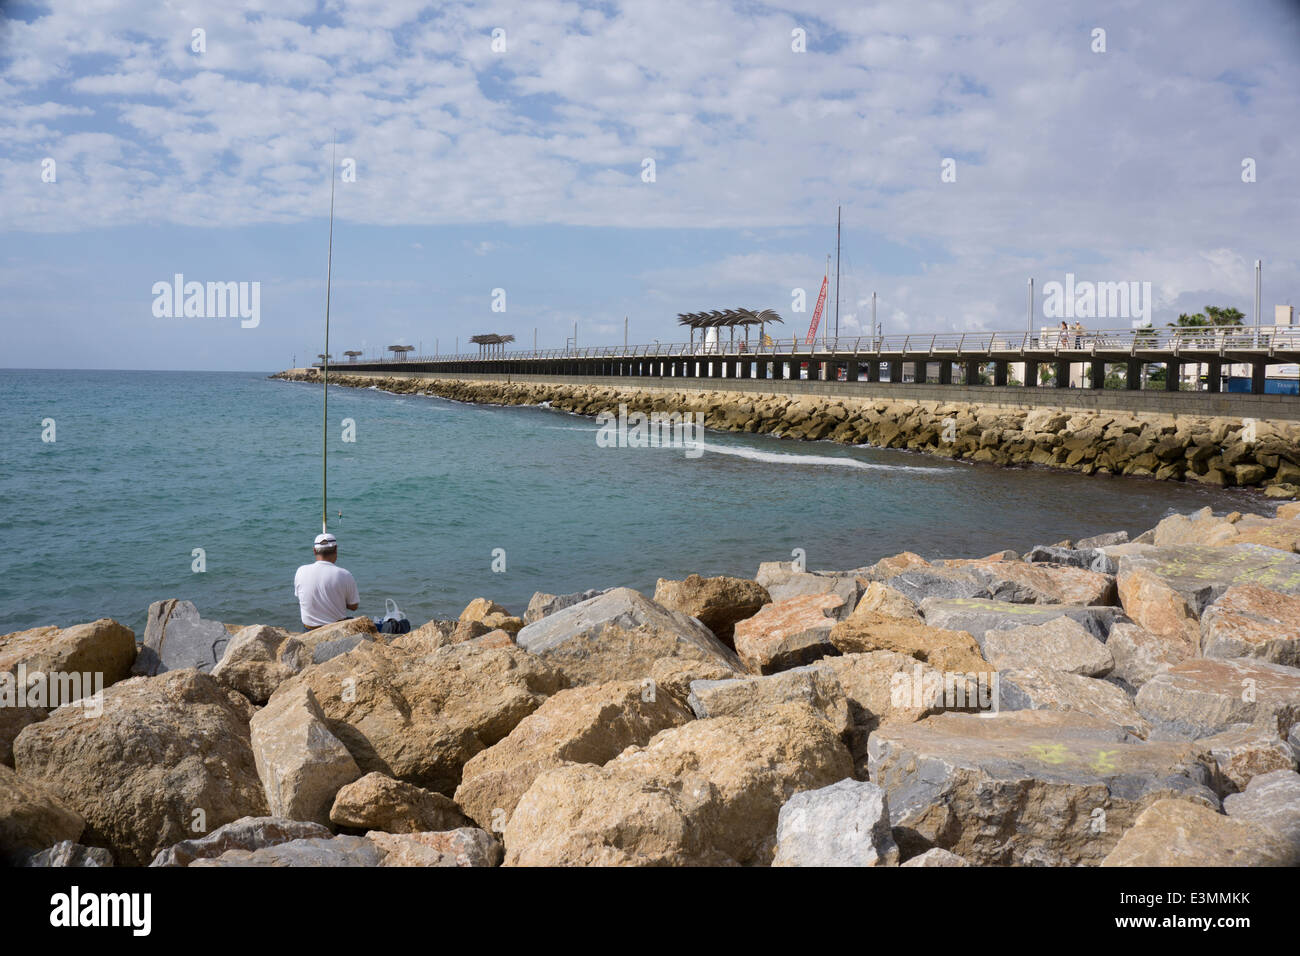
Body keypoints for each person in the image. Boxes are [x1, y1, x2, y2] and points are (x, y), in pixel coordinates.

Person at [294, 532, 359, 629]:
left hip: (309, 629)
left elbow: (301, 597)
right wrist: (337, 600)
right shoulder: (345, 574)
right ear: (336, 549)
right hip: (335, 629)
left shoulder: (300, 571)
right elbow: (354, 606)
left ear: (314, 551)